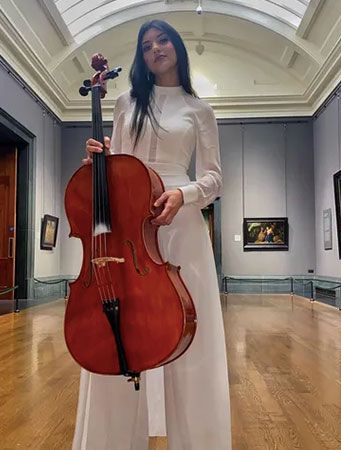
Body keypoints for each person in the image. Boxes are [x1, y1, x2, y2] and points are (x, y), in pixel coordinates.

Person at [72, 19, 231, 450]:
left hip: (181, 224)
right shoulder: (126, 102)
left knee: (190, 333)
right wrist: (99, 162)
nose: (155, 49)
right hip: (130, 224)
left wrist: (184, 194)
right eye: (146, 45)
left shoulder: (199, 110)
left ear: (177, 46)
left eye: (162, 41)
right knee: (123, 328)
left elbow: (215, 179)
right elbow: (121, 163)